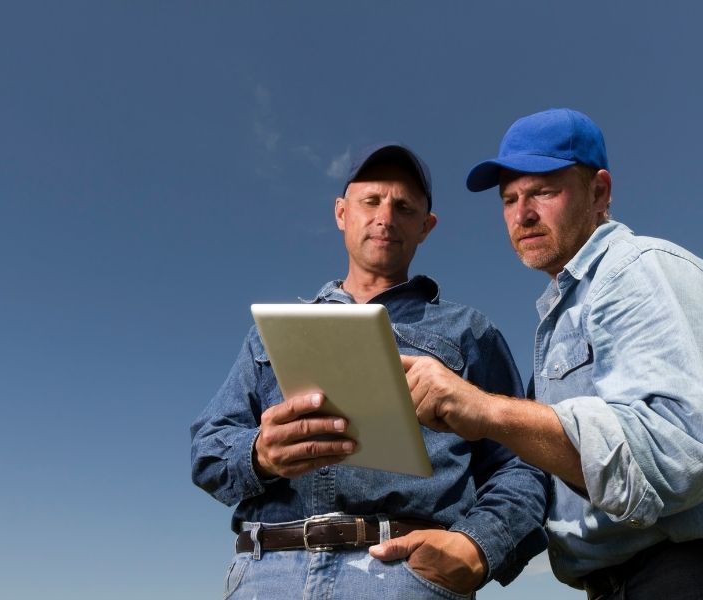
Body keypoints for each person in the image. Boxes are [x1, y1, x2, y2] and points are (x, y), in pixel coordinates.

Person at [190, 143, 548, 599]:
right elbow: (208, 449)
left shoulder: (469, 331)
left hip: (403, 574)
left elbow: (522, 463)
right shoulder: (269, 335)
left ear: (426, 226)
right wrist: (259, 453)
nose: (385, 217)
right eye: (371, 201)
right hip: (267, 574)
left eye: (404, 207)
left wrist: (477, 545)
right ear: (342, 213)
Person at [395, 108, 703, 599]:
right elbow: (540, 470)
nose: (523, 214)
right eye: (510, 199)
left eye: (543, 191)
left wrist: (486, 409)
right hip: (616, 582)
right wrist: (475, 541)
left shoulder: (635, 270)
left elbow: (680, 449)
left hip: (678, 570)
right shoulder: (561, 314)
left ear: (599, 192)